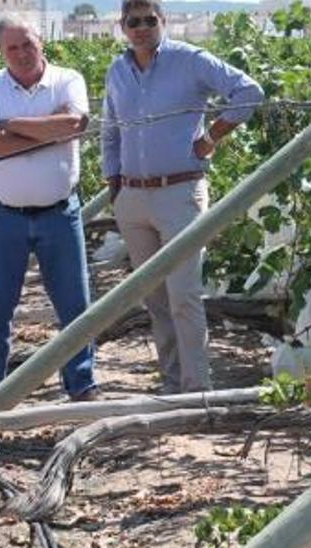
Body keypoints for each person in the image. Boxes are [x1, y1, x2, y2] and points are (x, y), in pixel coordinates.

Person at [101, 0, 263, 394]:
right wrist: (114, 184)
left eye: (149, 20)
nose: (141, 28)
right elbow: (110, 130)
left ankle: (196, 389)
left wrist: (209, 139)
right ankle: (172, 384)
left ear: (163, 21)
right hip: (133, 199)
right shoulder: (118, 71)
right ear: (122, 26)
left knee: (184, 296)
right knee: (154, 298)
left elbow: (249, 92)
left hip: (179, 192)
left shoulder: (189, 60)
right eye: (133, 21)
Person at [0, 16, 99, 403]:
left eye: (28, 44)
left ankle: (82, 382)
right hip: (2, 216)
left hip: (60, 213)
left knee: (75, 305)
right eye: (12, 48)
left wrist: (12, 124)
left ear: (42, 43)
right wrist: (47, 132)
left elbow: (74, 124)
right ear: (1, 51)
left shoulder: (68, 79)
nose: (22, 53)